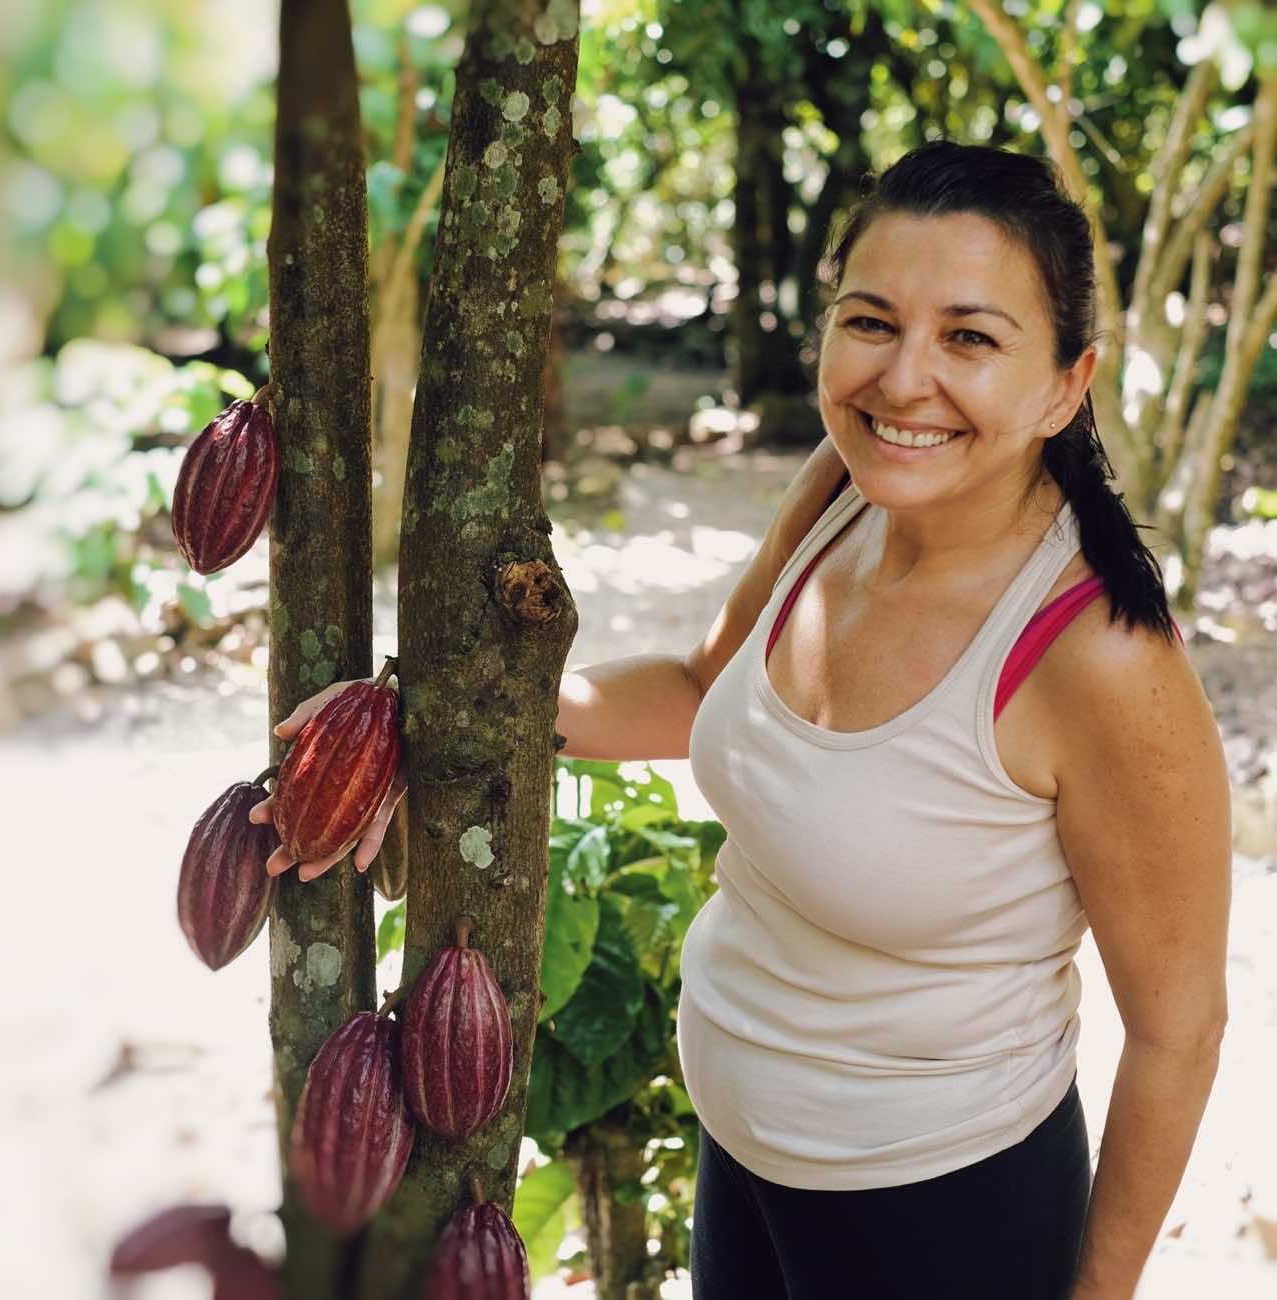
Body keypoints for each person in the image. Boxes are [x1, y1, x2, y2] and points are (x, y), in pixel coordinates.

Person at [250, 141, 1231, 1300]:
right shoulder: (838, 491)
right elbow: (701, 686)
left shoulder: (1097, 655)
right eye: (870, 321)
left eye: (969, 337)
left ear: (1066, 382)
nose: (903, 378)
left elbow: (1178, 1031)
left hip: (944, 1211)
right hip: (744, 1162)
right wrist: (413, 724)